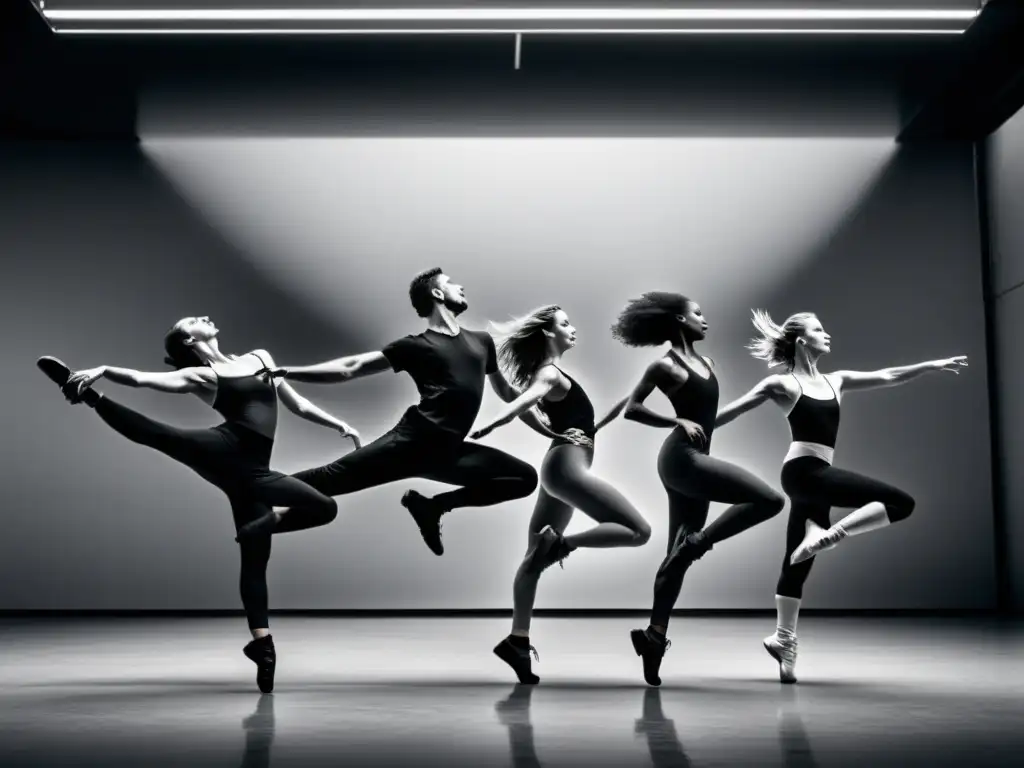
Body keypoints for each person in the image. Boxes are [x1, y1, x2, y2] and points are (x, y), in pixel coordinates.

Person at [36, 315, 359, 693]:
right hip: (225, 450)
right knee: (162, 436)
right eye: (193, 319)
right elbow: (142, 379)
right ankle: (89, 397)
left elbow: (297, 403)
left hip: (254, 472)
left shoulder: (259, 358)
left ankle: (263, 646)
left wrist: (339, 424)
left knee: (259, 556)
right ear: (189, 338)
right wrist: (103, 371)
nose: (204, 317)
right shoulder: (200, 378)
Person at [715, 308, 968, 683]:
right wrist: (686, 427)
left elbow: (888, 376)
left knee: (795, 563)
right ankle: (828, 536)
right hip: (803, 472)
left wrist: (930, 365)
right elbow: (730, 412)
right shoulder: (782, 385)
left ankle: (784, 640)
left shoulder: (838, 380)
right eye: (819, 329)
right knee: (901, 503)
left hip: (814, 477)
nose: (827, 334)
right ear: (802, 340)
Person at [248, 268, 541, 555]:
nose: (461, 287)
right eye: (452, 283)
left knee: (524, 478)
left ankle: (432, 507)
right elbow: (352, 368)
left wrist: (547, 427)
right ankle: (252, 496)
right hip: (410, 442)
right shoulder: (416, 346)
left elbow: (507, 394)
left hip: (447, 453)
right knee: (328, 480)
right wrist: (290, 372)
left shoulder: (481, 341)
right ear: (437, 293)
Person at [611, 292, 785, 687]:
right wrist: (676, 422)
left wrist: (740, 408)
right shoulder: (664, 365)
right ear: (678, 321)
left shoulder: (707, 362)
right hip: (680, 460)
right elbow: (632, 409)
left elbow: (708, 416)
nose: (704, 320)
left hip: (696, 458)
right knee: (770, 500)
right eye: (697, 315)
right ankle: (696, 545)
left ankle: (654, 637)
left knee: (676, 557)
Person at [470, 305, 651, 684]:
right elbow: (522, 402)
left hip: (560, 465)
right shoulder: (550, 373)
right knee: (638, 531)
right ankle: (563, 545)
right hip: (566, 469)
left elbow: (586, 423)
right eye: (564, 323)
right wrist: (493, 424)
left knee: (532, 558)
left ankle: (517, 641)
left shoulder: (555, 374)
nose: (572, 328)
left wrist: (630, 398)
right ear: (547, 334)